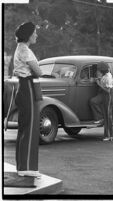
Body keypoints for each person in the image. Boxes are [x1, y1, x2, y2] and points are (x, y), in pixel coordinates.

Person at [13, 22, 43, 177]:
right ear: (29, 34)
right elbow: (38, 71)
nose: (36, 35)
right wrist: (39, 70)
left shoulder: (21, 49)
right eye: (35, 32)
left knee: (24, 127)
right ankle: (27, 168)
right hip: (28, 87)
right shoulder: (25, 50)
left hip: (23, 87)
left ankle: (22, 166)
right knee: (30, 127)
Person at [90, 61, 113, 141]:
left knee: (108, 116)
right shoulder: (105, 75)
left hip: (108, 95)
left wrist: (99, 84)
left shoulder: (108, 77)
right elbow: (101, 79)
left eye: (99, 69)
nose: (98, 71)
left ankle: (109, 136)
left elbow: (107, 90)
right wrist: (97, 79)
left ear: (102, 70)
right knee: (105, 114)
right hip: (105, 95)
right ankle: (108, 135)